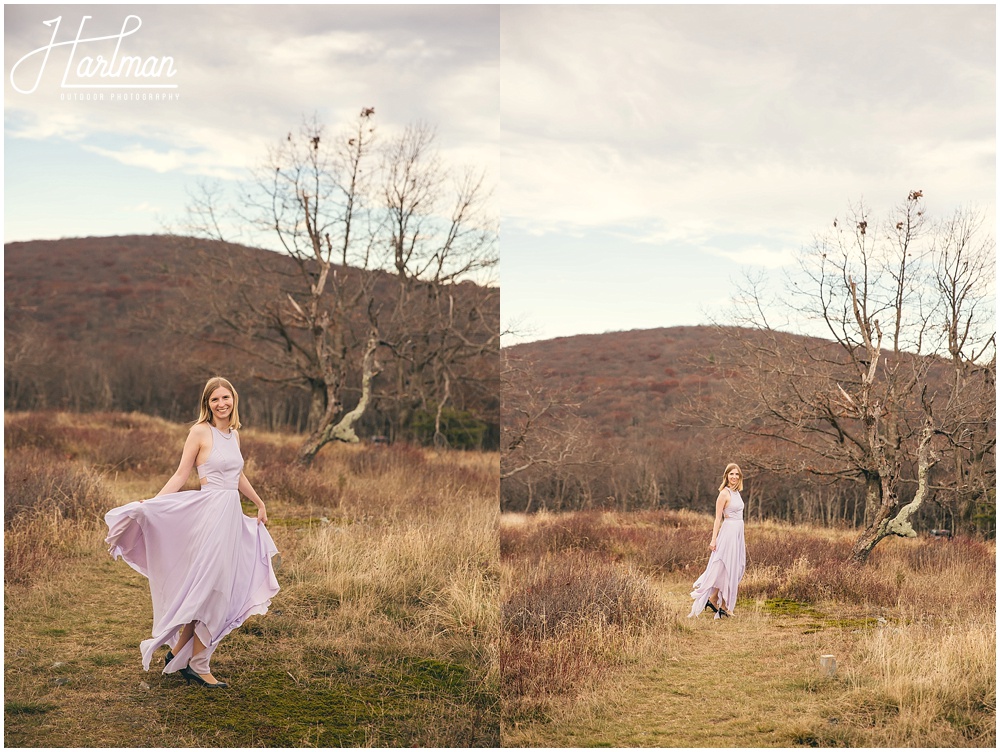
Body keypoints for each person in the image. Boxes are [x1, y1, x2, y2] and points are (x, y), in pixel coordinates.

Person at [105, 377, 280, 688]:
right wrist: (155, 504)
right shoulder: (200, 432)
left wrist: (259, 502)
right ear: (207, 403)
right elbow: (182, 473)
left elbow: (237, 475)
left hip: (230, 516)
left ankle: (177, 654)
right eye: (215, 399)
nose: (221, 403)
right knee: (213, 590)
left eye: (226, 397)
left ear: (233, 399)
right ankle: (199, 664)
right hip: (209, 516)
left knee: (213, 587)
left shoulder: (234, 435)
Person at [688, 463, 746, 619]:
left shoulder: (737, 493)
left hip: (738, 533)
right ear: (726, 476)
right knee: (725, 567)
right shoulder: (724, 494)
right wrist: (713, 540)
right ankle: (724, 606)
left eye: (737, 474)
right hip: (728, 533)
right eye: (731, 474)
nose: (734, 477)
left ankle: (715, 600)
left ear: (739, 477)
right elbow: (717, 519)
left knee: (735, 567)